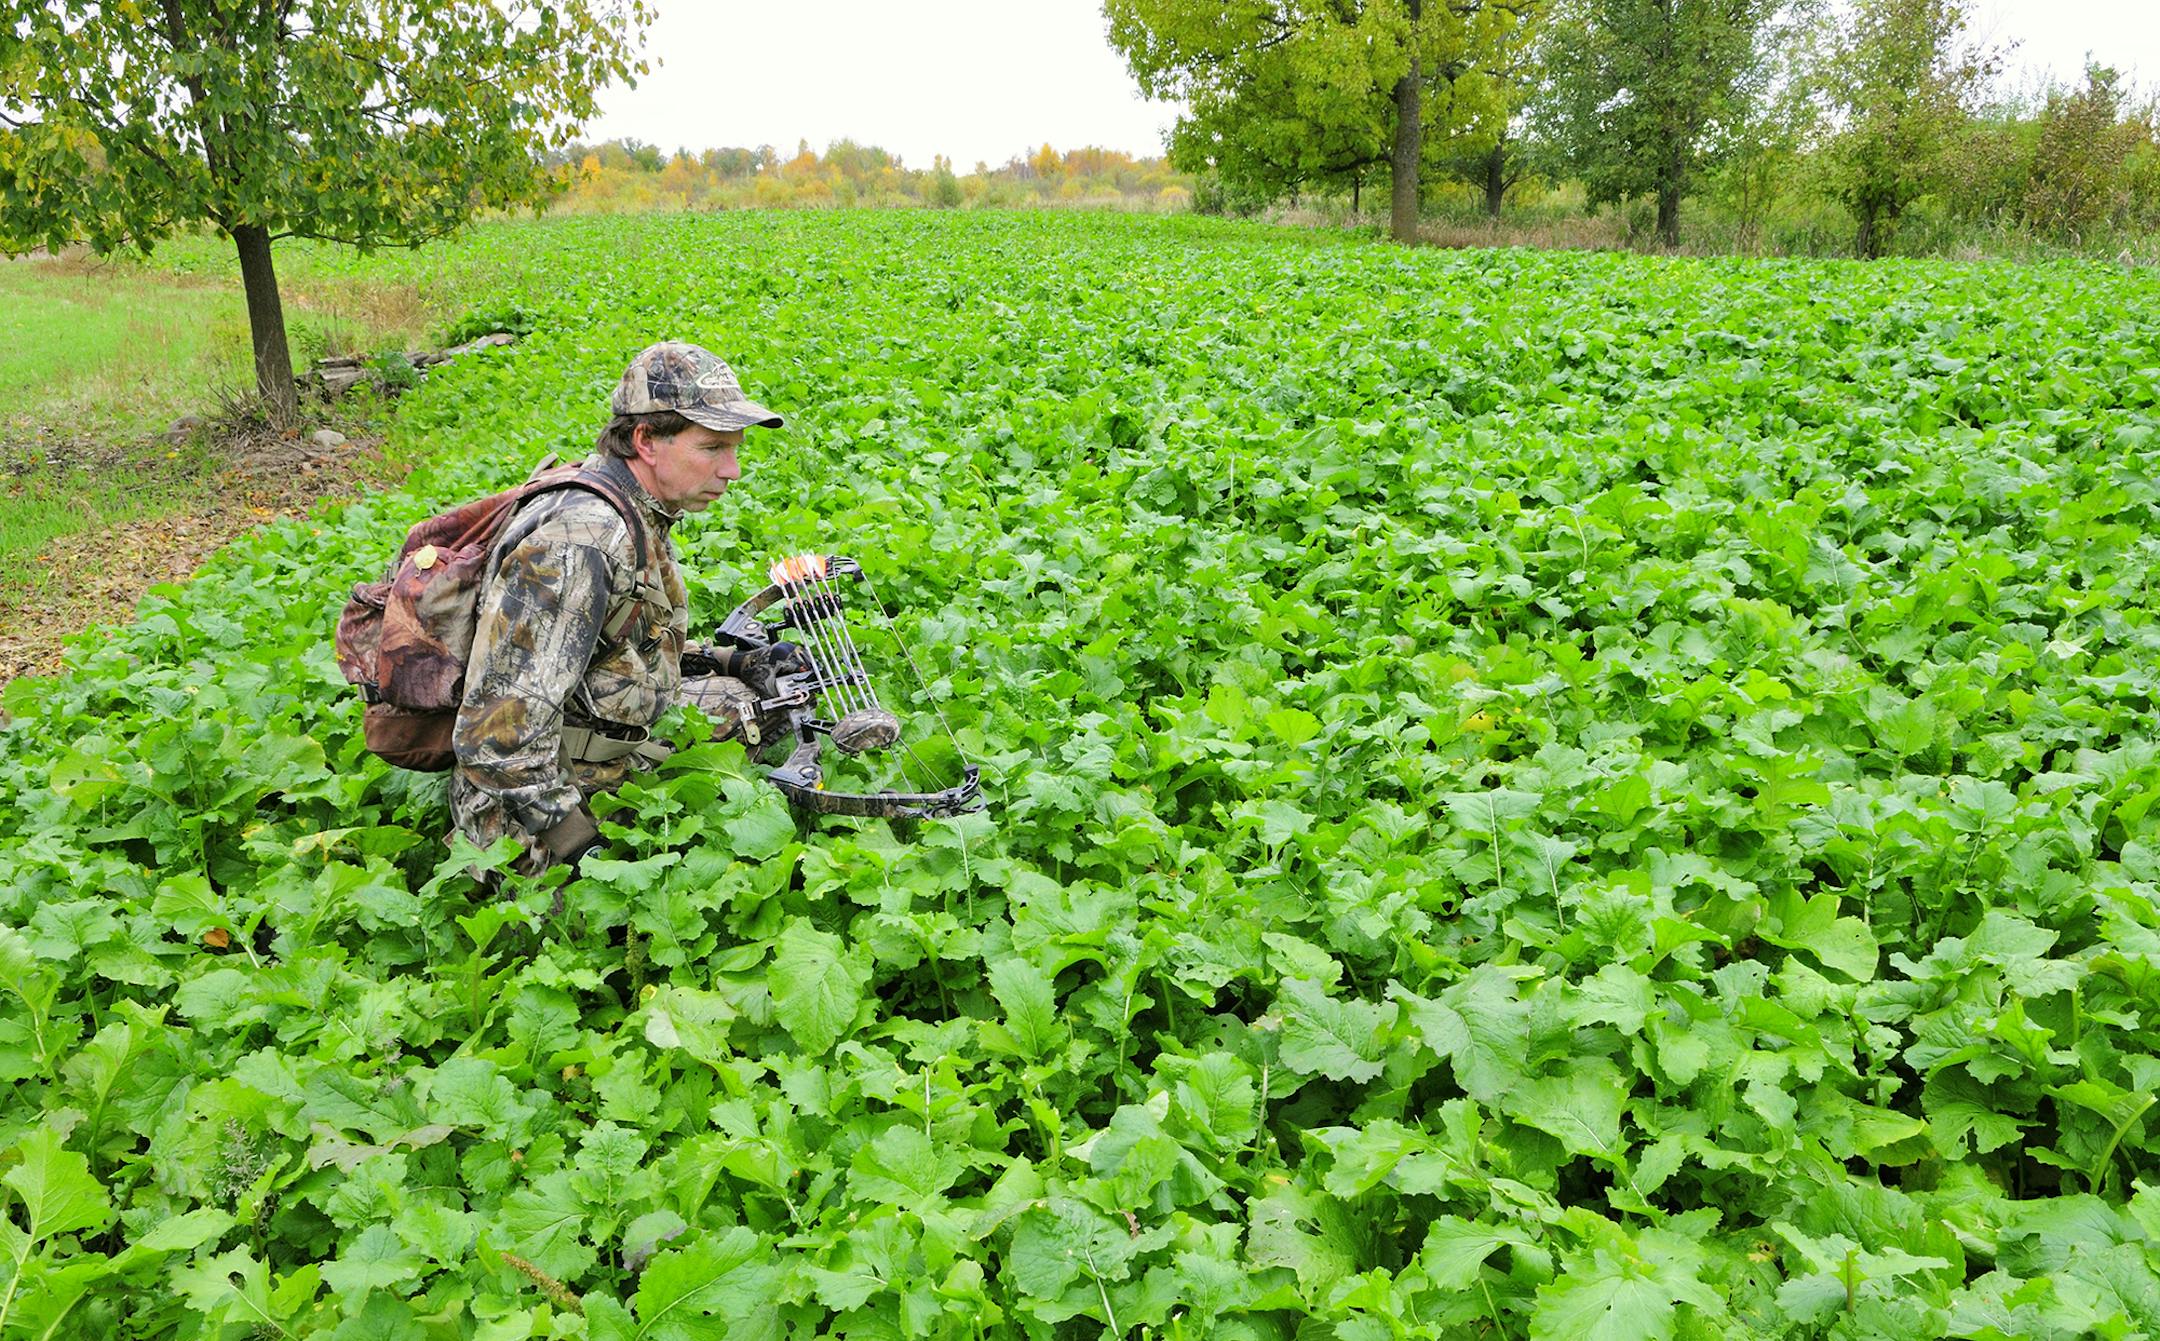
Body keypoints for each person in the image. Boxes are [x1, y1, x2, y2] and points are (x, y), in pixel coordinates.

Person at [451, 341, 796, 876]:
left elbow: (617, 648)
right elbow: (495, 736)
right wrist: (586, 851)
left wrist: (733, 660)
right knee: (622, 909)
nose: (732, 470)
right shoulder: (582, 540)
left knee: (748, 701)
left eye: (735, 448)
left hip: (592, 738)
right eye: (711, 448)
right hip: (520, 814)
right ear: (645, 440)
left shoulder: (635, 504)